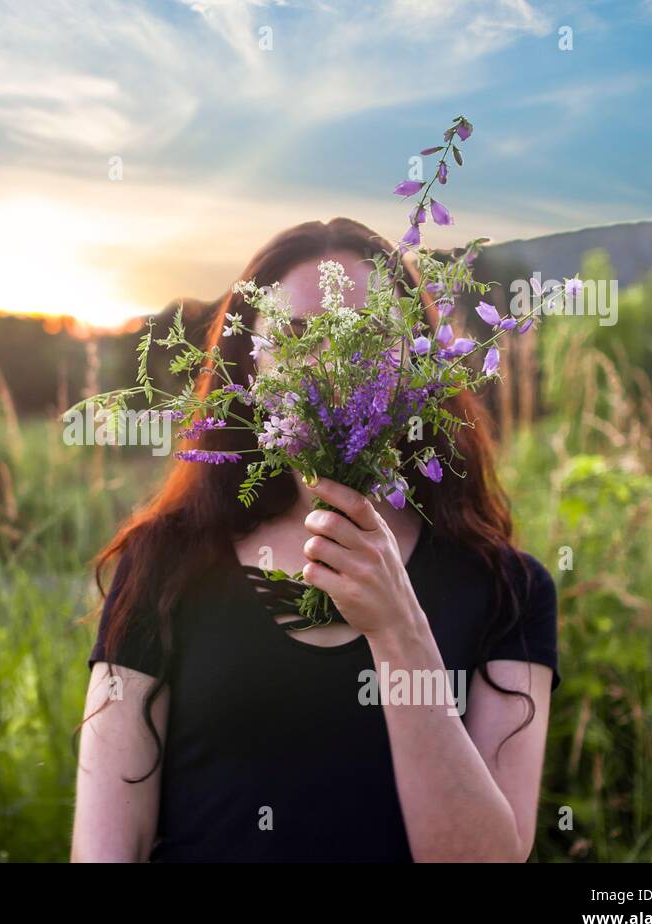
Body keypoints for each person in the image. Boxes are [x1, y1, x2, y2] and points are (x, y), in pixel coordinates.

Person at [71, 218, 559, 862]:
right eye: (297, 337)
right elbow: (106, 849)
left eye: (366, 339)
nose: (332, 367)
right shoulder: (162, 565)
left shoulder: (508, 591)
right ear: (250, 368)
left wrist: (398, 629)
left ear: (415, 360)